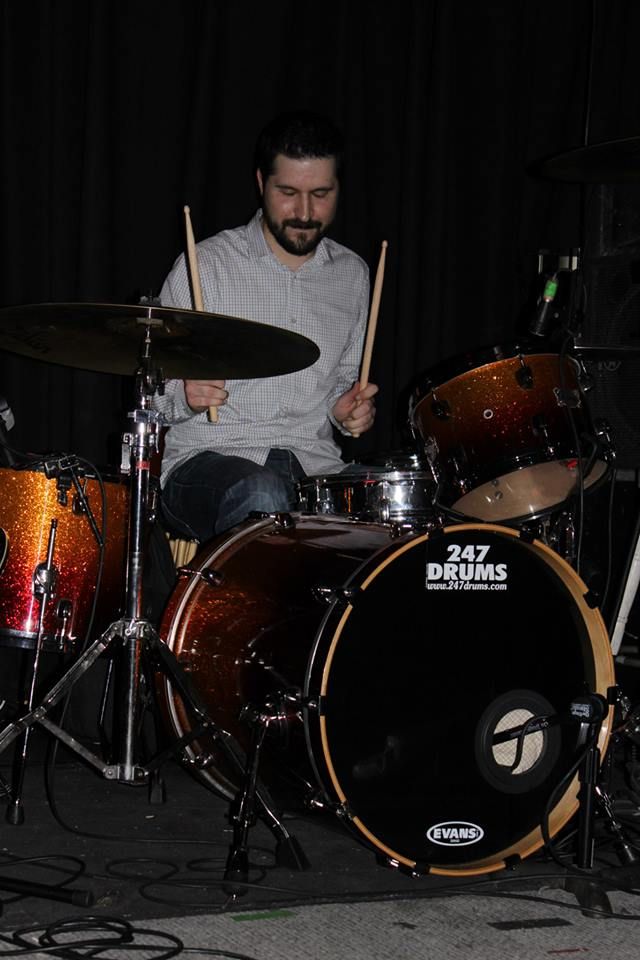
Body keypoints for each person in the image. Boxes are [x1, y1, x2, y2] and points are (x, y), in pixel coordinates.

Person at [153, 110, 378, 544]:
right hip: (208, 460)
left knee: (408, 497)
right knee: (263, 492)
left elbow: (344, 381)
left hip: (314, 465)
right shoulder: (207, 265)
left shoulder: (353, 274)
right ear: (261, 183)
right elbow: (154, 393)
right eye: (288, 193)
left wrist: (346, 409)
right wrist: (185, 396)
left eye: (321, 194)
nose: (305, 212)